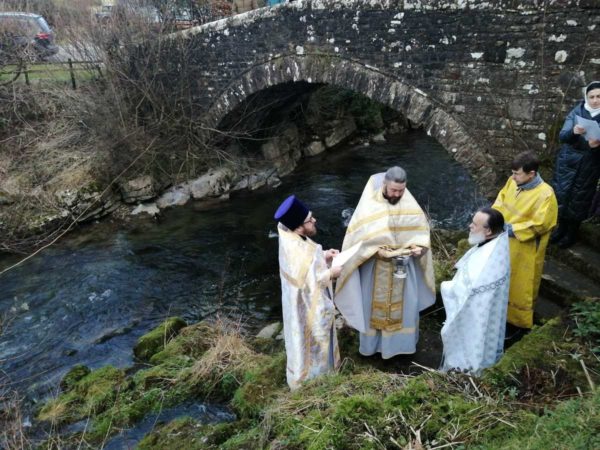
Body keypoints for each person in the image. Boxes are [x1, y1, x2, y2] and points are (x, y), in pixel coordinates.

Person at [334, 166, 436, 358]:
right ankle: (373, 349)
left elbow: (421, 235)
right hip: (375, 268)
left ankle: (400, 348)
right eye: (393, 190)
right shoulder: (369, 206)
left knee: (405, 308)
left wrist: (419, 248)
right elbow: (357, 242)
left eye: (401, 190)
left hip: (403, 268)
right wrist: (378, 252)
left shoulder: (410, 204)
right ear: (384, 184)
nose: (397, 194)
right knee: (371, 308)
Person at [274, 195, 342, 390]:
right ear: (298, 226)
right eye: (309, 220)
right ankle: (315, 383)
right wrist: (331, 273)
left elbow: (309, 261)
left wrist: (324, 255)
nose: (314, 220)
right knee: (312, 343)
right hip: (305, 307)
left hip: (300, 301)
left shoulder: (289, 234)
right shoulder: (295, 250)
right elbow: (309, 280)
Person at [492, 151, 557, 329]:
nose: (513, 177)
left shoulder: (546, 195)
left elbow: (542, 224)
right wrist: (494, 218)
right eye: (512, 173)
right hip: (503, 240)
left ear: (531, 174)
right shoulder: (513, 181)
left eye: (517, 174)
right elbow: (500, 200)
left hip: (525, 248)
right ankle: (497, 312)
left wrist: (510, 229)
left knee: (521, 285)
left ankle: (517, 323)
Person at [440, 208, 510, 374]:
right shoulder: (495, 242)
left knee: (471, 347)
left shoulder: (490, 259)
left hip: (475, 316)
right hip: (478, 311)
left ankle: (464, 373)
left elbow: (469, 291)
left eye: (475, 224)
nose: (470, 226)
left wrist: (446, 286)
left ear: (489, 231)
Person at [551, 81, 600, 248]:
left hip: (589, 165)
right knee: (562, 195)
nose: (595, 100)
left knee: (580, 199)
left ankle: (571, 233)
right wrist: (574, 131)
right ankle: (560, 228)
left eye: (599, 96)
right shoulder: (577, 111)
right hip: (568, 161)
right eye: (591, 97)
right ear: (586, 97)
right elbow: (563, 136)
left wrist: (595, 147)